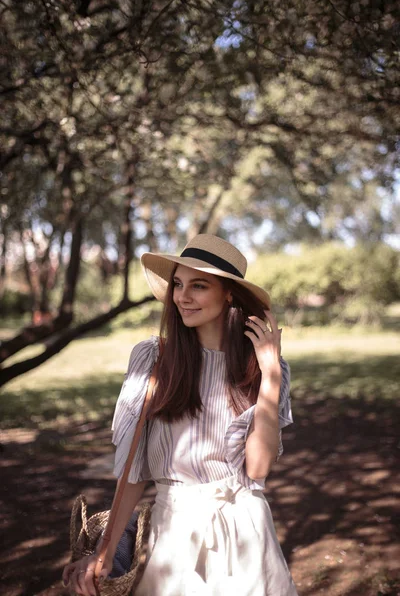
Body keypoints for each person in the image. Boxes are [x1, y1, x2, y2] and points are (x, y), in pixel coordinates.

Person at [63, 234, 298, 596]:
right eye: (177, 284)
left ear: (229, 293)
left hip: (245, 537)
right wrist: (105, 551)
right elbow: (134, 469)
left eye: (198, 286)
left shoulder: (263, 367)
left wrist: (270, 378)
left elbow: (258, 469)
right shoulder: (153, 359)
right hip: (171, 533)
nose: (182, 297)